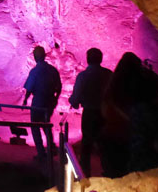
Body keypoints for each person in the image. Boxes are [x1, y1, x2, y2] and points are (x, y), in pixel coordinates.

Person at [69, 48, 112, 176]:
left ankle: (84, 173)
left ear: (88, 59)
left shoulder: (83, 76)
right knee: (104, 143)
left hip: (89, 112)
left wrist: (73, 102)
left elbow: (76, 96)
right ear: (101, 59)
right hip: (104, 113)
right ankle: (108, 171)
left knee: (87, 144)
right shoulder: (108, 74)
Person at [23, 46, 62, 162]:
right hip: (49, 101)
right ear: (44, 56)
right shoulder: (53, 70)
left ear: (35, 57)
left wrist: (25, 99)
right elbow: (59, 87)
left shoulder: (35, 71)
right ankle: (51, 148)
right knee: (46, 125)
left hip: (38, 102)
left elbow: (29, 88)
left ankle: (41, 153)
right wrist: (56, 98)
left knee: (35, 126)